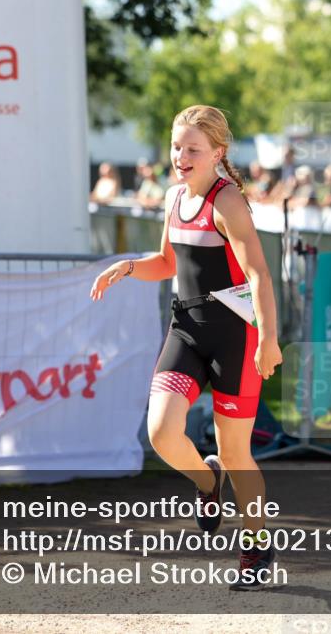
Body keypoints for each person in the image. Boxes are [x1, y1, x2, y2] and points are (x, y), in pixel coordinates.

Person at [89, 105, 283, 590]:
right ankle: (205, 481)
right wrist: (129, 266)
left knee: (236, 452)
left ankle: (257, 548)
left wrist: (269, 340)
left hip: (235, 337)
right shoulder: (175, 197)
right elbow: (167, 262)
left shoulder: (228, 202)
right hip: (187, 331)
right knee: (161, 432)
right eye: (177, 147)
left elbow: (259, 274)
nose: (181, 156)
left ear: (217, 153)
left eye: (192, 149)